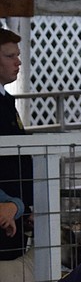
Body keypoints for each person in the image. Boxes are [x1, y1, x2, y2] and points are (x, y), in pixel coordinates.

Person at [0, 28, 32, 261]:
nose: (18, 62)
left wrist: (25, 204)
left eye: (17, 55)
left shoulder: (6, 100)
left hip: (12, 214)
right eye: (10, 56)